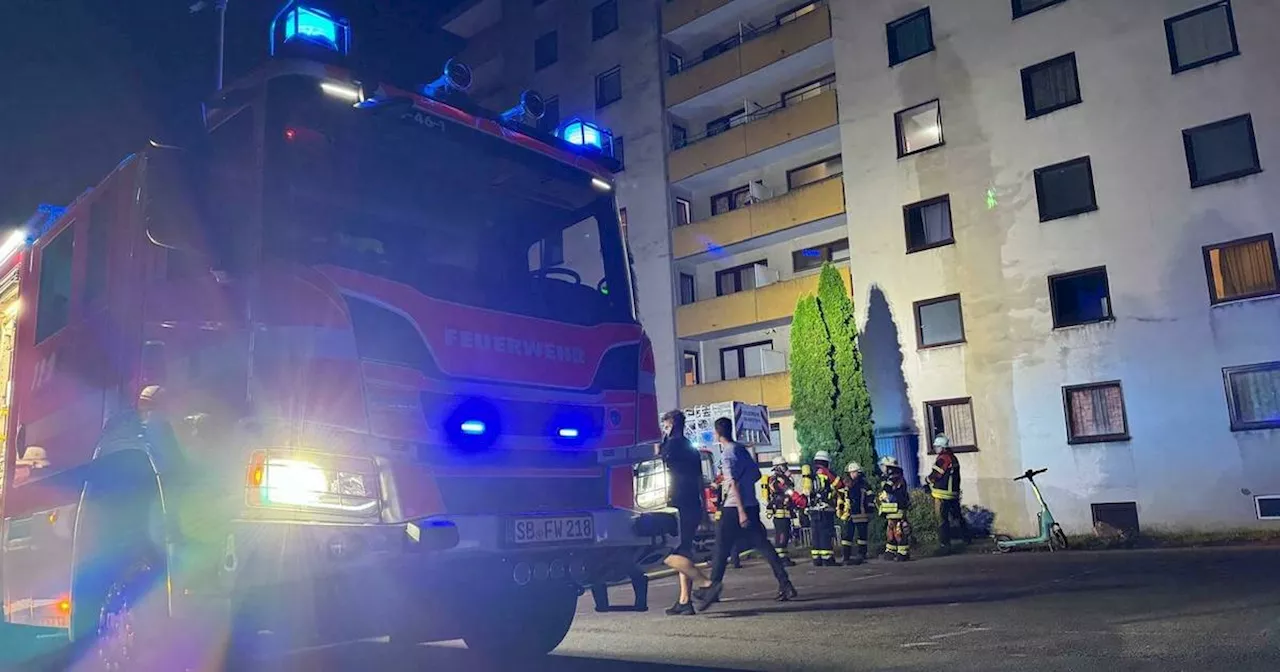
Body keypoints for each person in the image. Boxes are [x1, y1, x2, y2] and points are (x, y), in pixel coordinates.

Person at [693, 417, 797, 612]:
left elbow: (732, 484)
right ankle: (786, 584)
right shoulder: (741, 450)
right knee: (764, 546)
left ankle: (712, 587)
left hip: (734, 507)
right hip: (751, 504)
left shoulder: (727, 455)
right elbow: (757, 474)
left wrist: (740, 511)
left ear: (717, 434)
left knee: (721, 548)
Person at [657, 410, 716, 616]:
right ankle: (685, 600)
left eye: (664, 424)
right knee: (684, 551)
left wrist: (660, 443)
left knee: (664, 552)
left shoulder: (670, 447)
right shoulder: (691, 448)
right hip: (692, 504)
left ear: (671, 424)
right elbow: (700, 480)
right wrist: (704, 509)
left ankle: (706, 584)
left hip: (675, 505)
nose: (663, 428)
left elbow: (658, 468)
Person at [927, 434, 971, 554]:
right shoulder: (953, 457)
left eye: (937, 447)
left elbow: (936, 474)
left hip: (942, 495)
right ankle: (967, 539)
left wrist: (927, 481)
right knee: (957, 517)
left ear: (942, 447)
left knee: (942, 519)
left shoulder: (943, 458)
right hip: (953, 493)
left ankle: (944, 545)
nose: (935, 449)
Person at [805, 450, 839, 566]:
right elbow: (839, 485)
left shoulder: (811, 473)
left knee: (816, 534)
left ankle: (817, 559)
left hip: (813, 509)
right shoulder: (826, 472)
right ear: (826, 462)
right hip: (825, 508)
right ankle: (827, 559)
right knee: (826, 534)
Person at [838, 462, 875, 565]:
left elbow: (870, 497)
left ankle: (862, 555)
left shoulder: (864, 484)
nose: (853, 474)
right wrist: (841, 510)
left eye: (855, 472)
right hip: (849, 514)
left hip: (861, 514)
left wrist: (870, 510)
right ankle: (846, 556)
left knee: (862, 536)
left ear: (859, 472)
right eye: (851, 472)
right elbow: (841, 498)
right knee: (847, 536)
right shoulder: (845, 484)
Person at [764, 456, 797, 567]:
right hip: (779, 513)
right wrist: (785, 483)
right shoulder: (774, 478)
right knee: (781, 536)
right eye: (783, 465)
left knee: (786, 536)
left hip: (786, 512)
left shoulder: (784, 478)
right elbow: (776, 488)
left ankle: (784, 557)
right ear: (777, 467)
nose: (785, 467)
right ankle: (781, 559)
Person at [877, 456, 912, 561]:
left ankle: (903, 553)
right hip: (891, 509)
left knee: (899, 529)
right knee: (891, 530)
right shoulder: (893, 476)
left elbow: (887, 488)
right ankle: (891, 551)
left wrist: (883, 480)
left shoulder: (895, 476)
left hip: (898, 508)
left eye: (883, 466)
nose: (882, 468)